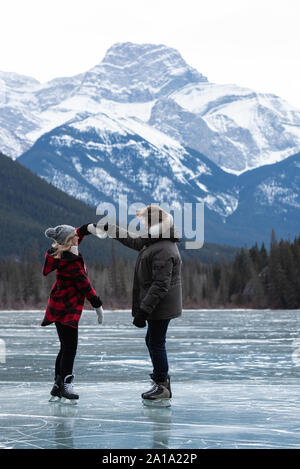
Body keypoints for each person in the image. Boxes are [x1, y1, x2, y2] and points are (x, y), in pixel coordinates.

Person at [93, 205, 182, 404]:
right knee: (152, 340)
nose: (143, 225)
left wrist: (143, 311)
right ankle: (160, 381)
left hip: (161, 305)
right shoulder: (155, 240)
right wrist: (111, 228)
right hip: (157, 304)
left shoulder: (164, 249)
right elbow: (134, 241)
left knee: (156, 342)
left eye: (145, 222)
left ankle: (162, 386)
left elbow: (160, 285)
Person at [42, 223, 104, 402]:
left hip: (58, 307)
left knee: (65, 346)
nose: (78, 237)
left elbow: (77, 234)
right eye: (75, 236)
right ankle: (66, 386)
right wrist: (97, 305)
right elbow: (85, 285)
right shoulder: (71, 261)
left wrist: (89, 228)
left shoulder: (65, 254)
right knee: (70, 348)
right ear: (69, 242)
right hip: (66, 310)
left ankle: (57, 384)